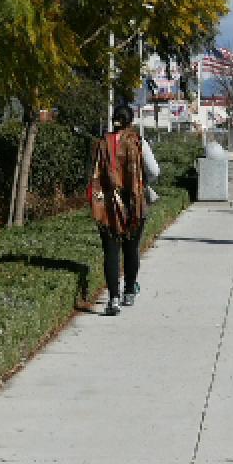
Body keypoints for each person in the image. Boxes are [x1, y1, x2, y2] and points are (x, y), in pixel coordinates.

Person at [87, 104, 160, 316]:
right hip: (133, 204)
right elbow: (155, 170)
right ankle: (129, 290)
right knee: (131, 248)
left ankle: (113, 299)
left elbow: (93, 173)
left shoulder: (102, 144)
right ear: (130, 121)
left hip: (108, 206)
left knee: (111, 252)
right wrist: (140, 182)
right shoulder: (138, 142)